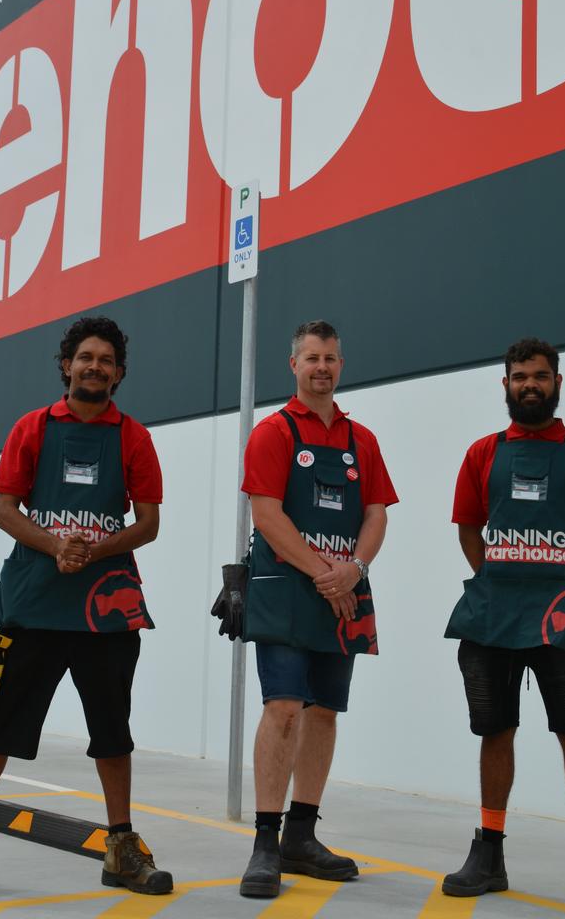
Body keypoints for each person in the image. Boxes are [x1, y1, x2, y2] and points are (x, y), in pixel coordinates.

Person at [0, 317, 172, 901]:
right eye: (86, 357)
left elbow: (150, 524)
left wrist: (95, 551)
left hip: (106, 612)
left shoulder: (133, 437)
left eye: (106, 360)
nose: (95, 367)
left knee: (113, 733)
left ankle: (121, 850)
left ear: (119, 373)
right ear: (66, 365)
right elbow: (4, 511)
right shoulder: (32, 428)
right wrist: (57, 544)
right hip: (29, 605)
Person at [443, 337, 565, 913]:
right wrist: (499, 581)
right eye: (520, 376)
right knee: (495, 732)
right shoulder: (482, 454)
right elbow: (469, 529)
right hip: (492, 616)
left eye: (540, 376)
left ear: (557, 383)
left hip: (559, 620)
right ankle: (489, 852)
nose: (530, 385)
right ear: (505, 385)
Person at [238, 319, 398, 898]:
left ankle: (301, 837)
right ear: (294, 365)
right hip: (285, 588)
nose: (322, 367)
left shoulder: (363, 441)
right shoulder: (274, 432)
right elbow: (267, 515)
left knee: (326, 711)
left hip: (343, 592)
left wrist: (354, 569)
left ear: (340, 365)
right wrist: (325, 571)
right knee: (283, 708)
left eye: (330, 358)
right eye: (312, 358)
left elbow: (377, 512)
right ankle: (264, 842)